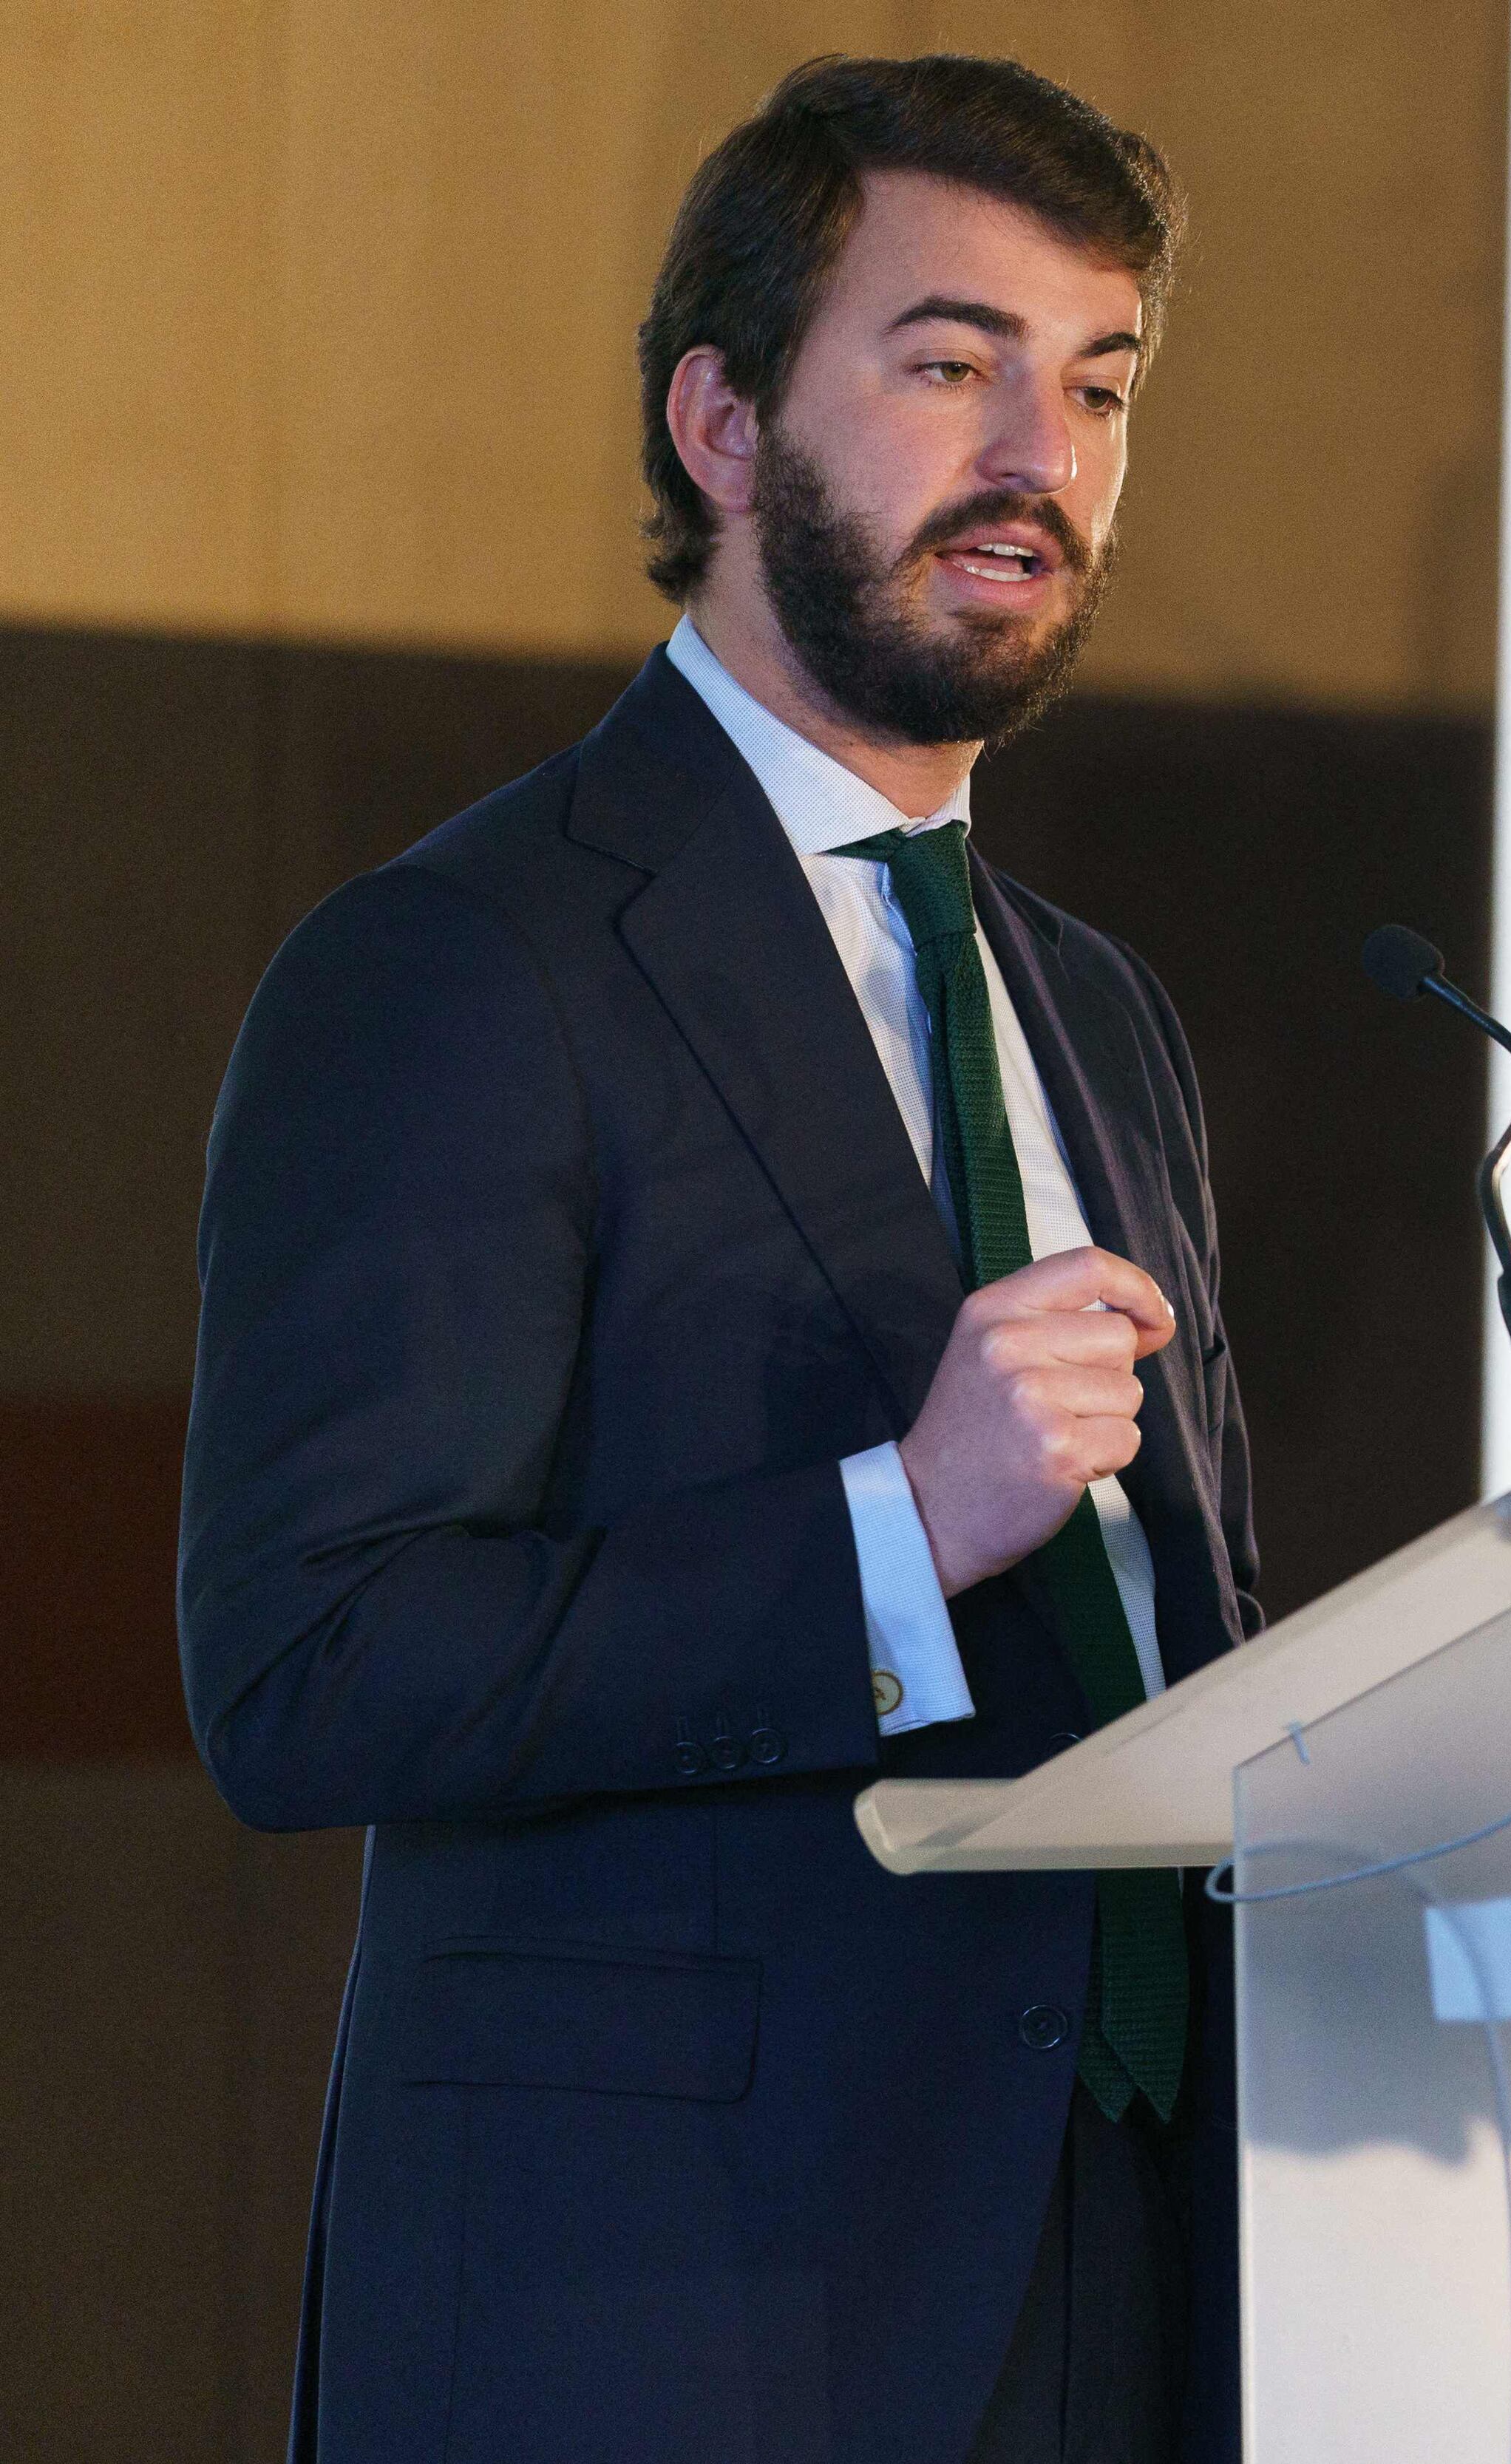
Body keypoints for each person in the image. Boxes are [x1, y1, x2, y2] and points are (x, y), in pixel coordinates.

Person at [178, 55, 1250, 2464]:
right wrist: (898, 1530)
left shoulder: (1102, 1014)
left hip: (1132, 2275)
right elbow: (311, 1668)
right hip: (666, 2310)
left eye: (1097, 388)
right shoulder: (460, 963)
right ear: (727, 419)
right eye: (949, 362)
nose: (1040, 459)